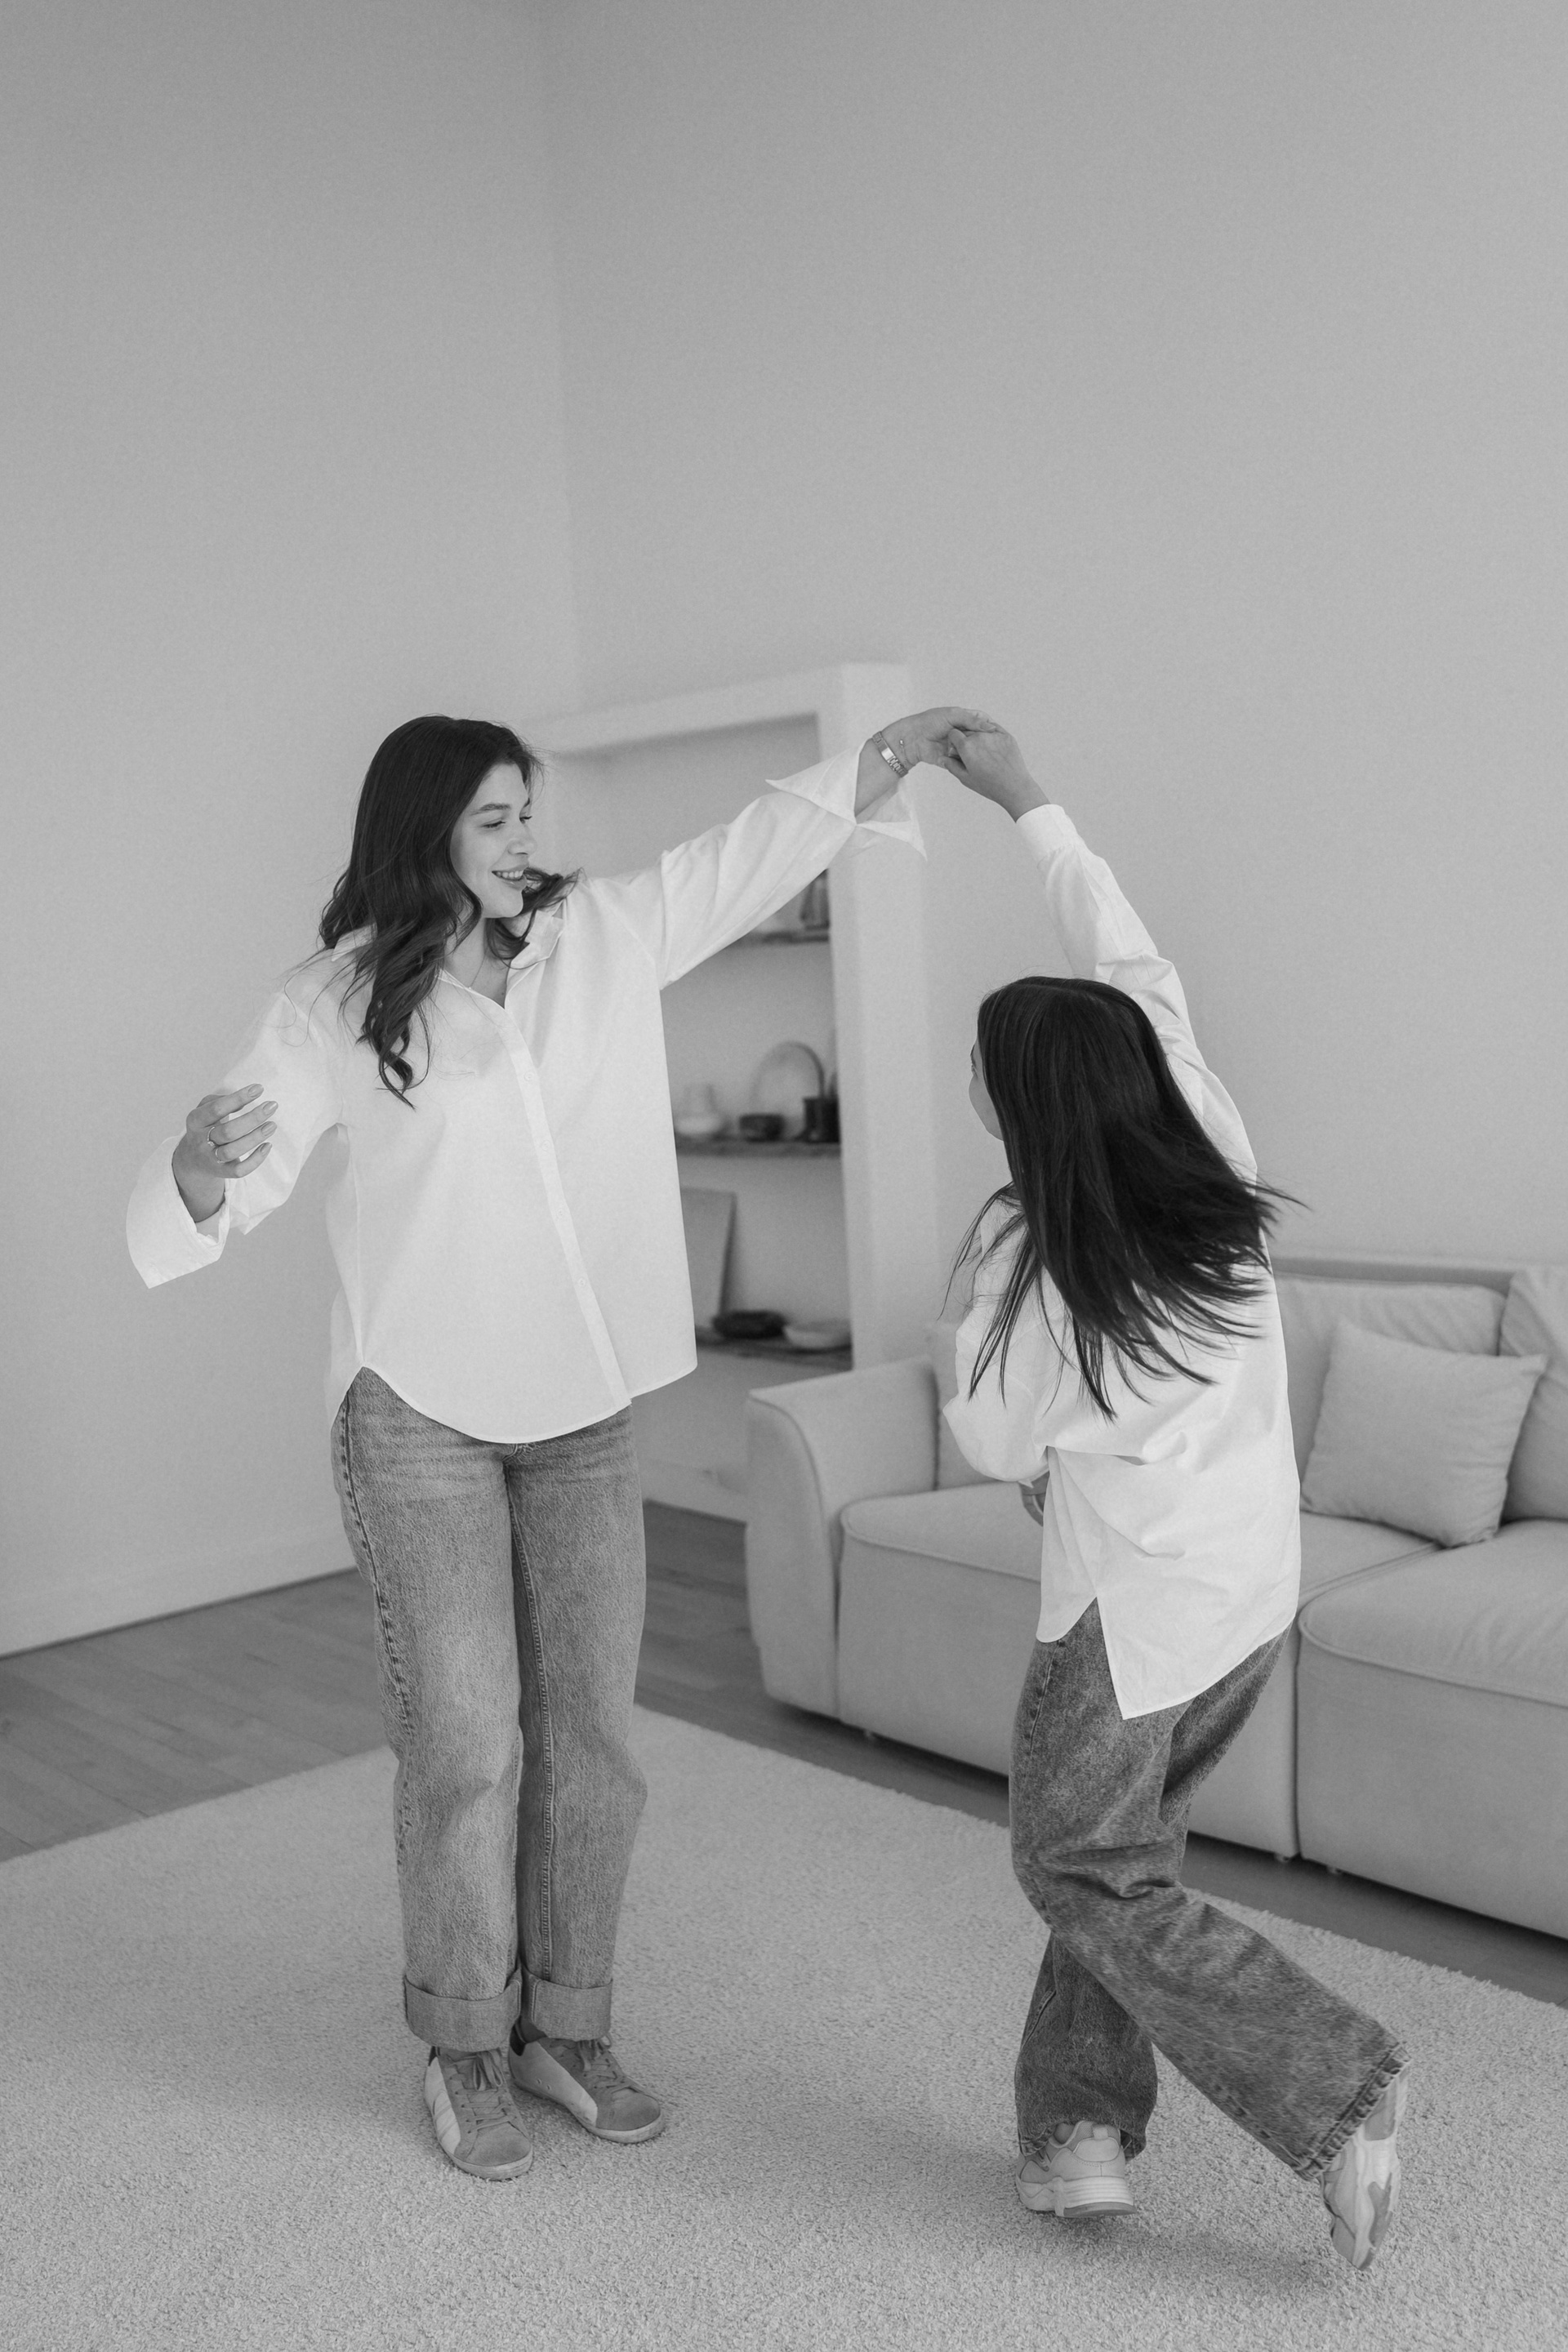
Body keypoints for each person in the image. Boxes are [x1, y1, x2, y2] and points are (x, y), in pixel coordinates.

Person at [127, 704, 965, 2180]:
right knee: (465, 1743)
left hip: (581, 1405)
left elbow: (748, 852)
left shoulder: (603, 938)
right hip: (417, 1411)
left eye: (532, 813)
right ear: (426, 830)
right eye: (497, 818)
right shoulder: (330, 1005)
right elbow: (228, 1186)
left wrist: (881, 761)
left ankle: (566, 2027)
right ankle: (463, 2045)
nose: (528, 842)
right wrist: (197, 1167)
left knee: (593, 1737)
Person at [935, 717, 1408, 2272]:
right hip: (1250, 1589)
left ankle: (1339, 2084)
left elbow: (990, 1440)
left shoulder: (1037, 1259)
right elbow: (1134, 967)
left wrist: (983, 1255)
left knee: (1074, 1864)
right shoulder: (1205, 1143)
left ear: (1026, 1113)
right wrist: (1029, 801)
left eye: (984, 1077)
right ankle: (1078, 2135)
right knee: (1129, 1863)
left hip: (1127, 1625)